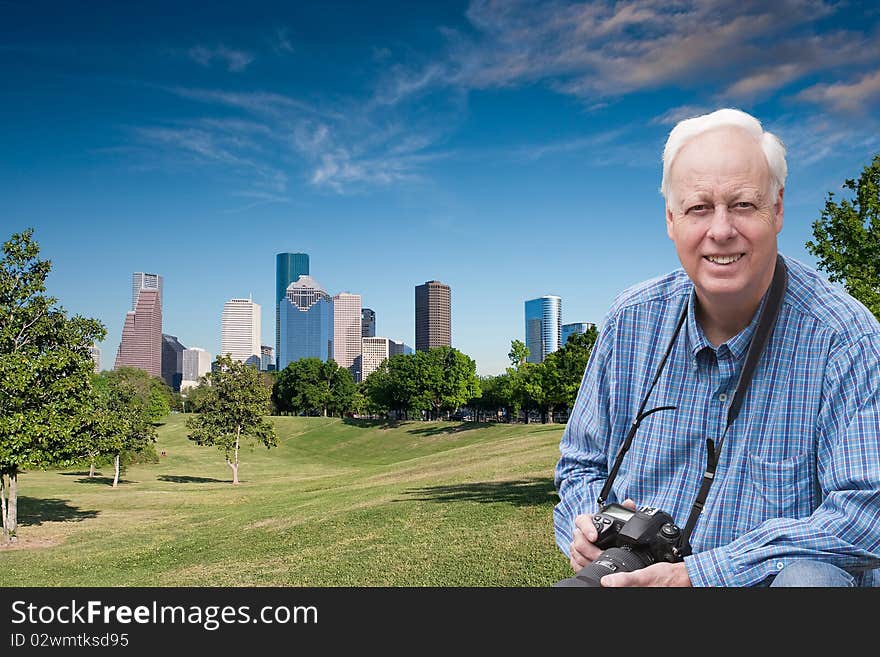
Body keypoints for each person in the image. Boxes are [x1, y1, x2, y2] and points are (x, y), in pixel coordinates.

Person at [553, 108, 880, 587]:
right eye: (698, 208)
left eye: (744, 205)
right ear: (671, 219)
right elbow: (580, 466)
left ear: (779, 208)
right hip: (640, 580)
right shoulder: (629, 320)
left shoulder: (844, 338)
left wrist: (700, 575)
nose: (721, 230)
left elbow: (867, 514)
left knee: (811, 582)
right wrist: (586, 528)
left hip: (768, 587)